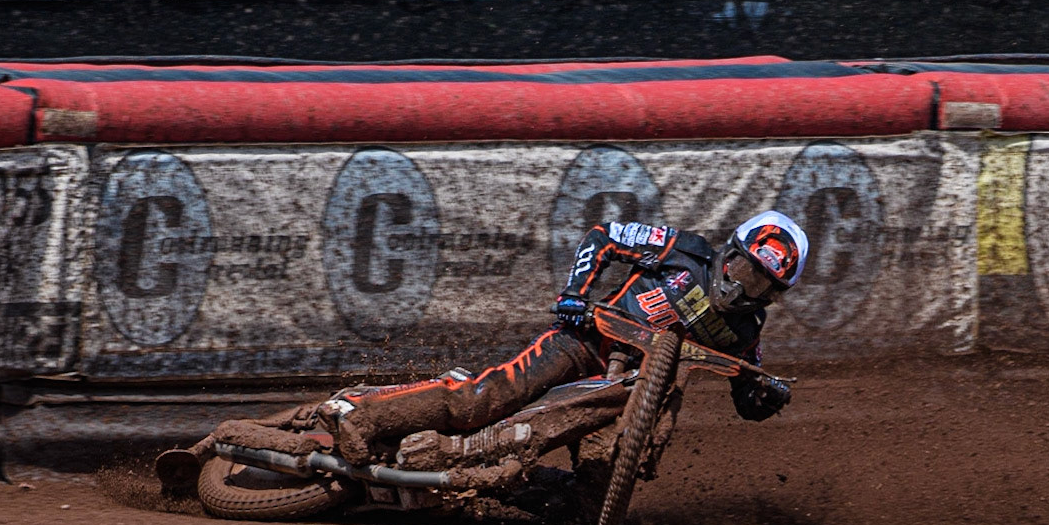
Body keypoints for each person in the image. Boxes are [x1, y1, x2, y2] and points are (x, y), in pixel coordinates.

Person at [320, 210, 808, 465]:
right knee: (485, 401)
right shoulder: (685, 250)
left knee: (604, 472)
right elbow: (605, 235)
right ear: (731, 252)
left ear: (773, 294)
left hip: (634, 395)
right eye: (745, 267)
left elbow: (747, 390)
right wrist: (575, 293)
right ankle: (363, 416)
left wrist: (767, 395)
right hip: (582, 342)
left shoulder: (747, 330)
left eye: (762, 283)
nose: (745, 284)